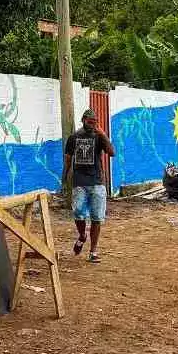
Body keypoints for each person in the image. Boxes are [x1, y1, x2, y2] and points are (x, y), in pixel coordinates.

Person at [63, 109, 115, 263]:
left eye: (95, 122)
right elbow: (67, 159)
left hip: (97, 182)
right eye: (90, 122)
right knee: (78, 212)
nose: (92, 125)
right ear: (83, 120)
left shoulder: (99, 136)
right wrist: (64, 177)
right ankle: (82, 235)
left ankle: (93, 251)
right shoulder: (74, 137)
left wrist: (103, 134)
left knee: (97, 217)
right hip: (79, 182)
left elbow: (112, 153)